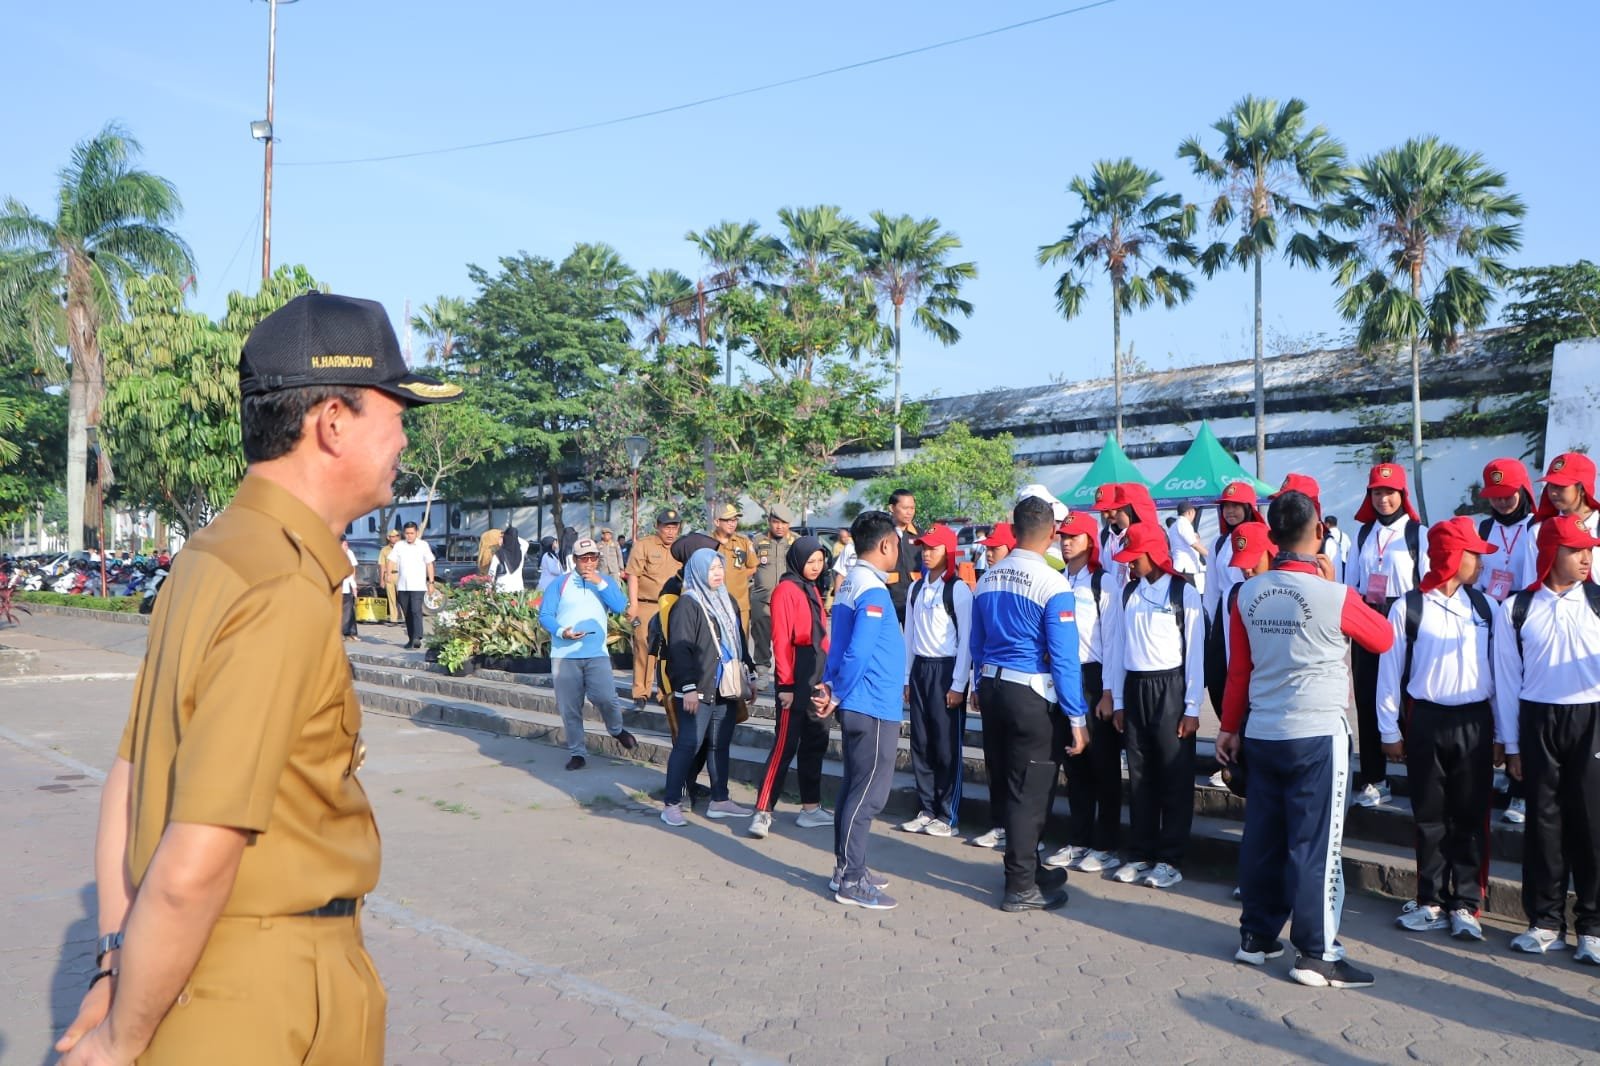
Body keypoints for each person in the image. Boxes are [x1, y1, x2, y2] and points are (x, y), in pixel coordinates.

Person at [55, 291, 463, 1066]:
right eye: (397, 412)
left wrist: (114, 963)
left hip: (185, 974)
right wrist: (116, 1040)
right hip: (269, 997)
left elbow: (130, 778)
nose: (405, 436)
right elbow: (198, 856)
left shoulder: (211, 556)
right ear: (332, 422)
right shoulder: (281, 585)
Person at [1219, 489, 1393, 989]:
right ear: (1319, 532)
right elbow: (1382, 637)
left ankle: (1256, 937)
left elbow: (1239, 670)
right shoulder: (1334, 595)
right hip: (1316, 734)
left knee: (1264, 838)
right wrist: (1334, 585)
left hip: (1263, 730)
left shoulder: (1247, 594)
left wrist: (1228, 727)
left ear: (1271, 536)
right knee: (1315, 847)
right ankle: (1317, 953)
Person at [1376, 518, 1498, 942]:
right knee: (1429, 815)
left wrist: (1504, 736)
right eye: (1473, 555)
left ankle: (1465, 902)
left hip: (1475, 721)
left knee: (1470, 814)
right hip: (1426, 719)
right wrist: (1388, 730)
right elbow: (1389, 674)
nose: (1481, 563)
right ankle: (1429, 899)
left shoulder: (1486, 608)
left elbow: (1501, 675)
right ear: (1450, 557)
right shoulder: (1409, 607)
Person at [969, 496, 1089, 911]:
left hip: (993, 688)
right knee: (1030, 792)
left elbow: (977, 643)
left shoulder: (988, 578)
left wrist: (977, 684)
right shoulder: (1053, 584)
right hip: (1030, 695)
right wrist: (1077, 717)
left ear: (1014, 530)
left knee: (1009, 783)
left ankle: (1028, 867)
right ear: (1052, 533)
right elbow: (1064, 658)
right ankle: (1020, 885)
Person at [1492, 514, 1600, 963]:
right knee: (1543, 822)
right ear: (1551, 553)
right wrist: (1511, 743)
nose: (1586, 558)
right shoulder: (1517, 608)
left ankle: (1593, 927)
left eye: (1589, 550)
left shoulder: (1597, 601)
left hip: (1592, 718)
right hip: (1537, 719)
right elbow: (1506, 679)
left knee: (1592, 824)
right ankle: (1545, 921)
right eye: (1576, 550)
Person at [1103, 523, 1204, 889]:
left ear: (1154, 555)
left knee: (1174, 776)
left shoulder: (1183, 592)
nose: (1130, 564)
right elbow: (1118, 647)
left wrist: (1192, 708)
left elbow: (1195, 653)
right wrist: (1117, 698)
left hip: (1171, 688)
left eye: (1135, 558)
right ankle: (1141, 852)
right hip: (1135, 686)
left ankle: (1169, 859)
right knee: (1140, 775)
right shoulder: (1129, 592)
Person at [816, 510, 905, 909]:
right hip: (871, 705)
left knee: (855, 789)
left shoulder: (852, 582)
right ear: (885, 544)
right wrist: (836, 692)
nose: (899, 550)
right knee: (869, 795)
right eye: (897, 544)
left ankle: (848, 868)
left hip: (861, 701)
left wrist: (832, 685)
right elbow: (857, 651)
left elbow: (838, 646)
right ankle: (851, 879)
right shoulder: (871, 589)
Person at [1345, 463, 1429, 808]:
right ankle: (1375, 778)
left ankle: (1420, 775)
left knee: (1408, 696)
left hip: (1406, 617)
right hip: (1368, 617)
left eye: (1389, 492)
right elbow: (1351, 583)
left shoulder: (1418, 533)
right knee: (1368, 696)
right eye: (1377, 492)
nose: (1383, 499)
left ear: (1402, 494)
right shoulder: (1363, 534)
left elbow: (1427, 583)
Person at [1043, 511, 1121, 875]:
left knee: (1102, 764)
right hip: (1063, 676)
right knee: (1074, 764)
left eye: (1074, 536)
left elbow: (1114, 641)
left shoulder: (1103, 583)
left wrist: (1109, 691)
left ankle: (1105, 845)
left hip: (1094, 678)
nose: (1066, 542)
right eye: (1063, 536)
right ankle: (1078, 839)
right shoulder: (1057, 580)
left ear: (1091, 541)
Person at [661, 548, 755, 826]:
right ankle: (671, 803)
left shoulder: (727, 600)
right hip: (698, 687)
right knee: (688, 744)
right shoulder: (687, 604)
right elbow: (680, 650)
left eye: (719, 568)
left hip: (725, 686)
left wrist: (750, 675)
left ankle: (720, 800)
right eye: (711, 569)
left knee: (719, 745)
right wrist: (688, 687)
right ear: (698, 572)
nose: (717, 573)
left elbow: (739, 640)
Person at [749, 536, 835, 839]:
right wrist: (784, 685)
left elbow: (822, 636)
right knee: (785, 746)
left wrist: (828, 677)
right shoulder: (786, 589)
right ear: (798, 560)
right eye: (810, 561)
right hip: (795, 675)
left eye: (820, 561)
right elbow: (782, 639)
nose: (816, 566)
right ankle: (762, 811)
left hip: (816, 673)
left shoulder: (811, 588)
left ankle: (810, 808)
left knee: (815, 743)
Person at [898, 523, 974, 838]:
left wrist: (958, 684)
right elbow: (909, 635)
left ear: (948, 551)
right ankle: (926, 808)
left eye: (933, 548)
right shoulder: (916, 588)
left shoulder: (957, 589)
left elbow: (967, 640)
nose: (926, 554)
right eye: (924, 548)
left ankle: (947, 814)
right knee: (921, 742)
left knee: (946, 746)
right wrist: (906, 677)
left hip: (946, 670)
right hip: (920, 669)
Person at [538, 537, 638, 771]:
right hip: (565, 655)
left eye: (593, 558)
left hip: (596, 653)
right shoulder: (560, 583)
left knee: (606, 697)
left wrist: (599, 582)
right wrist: (562, 631)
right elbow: (545, 615)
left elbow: (620, 607)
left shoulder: (604, 582)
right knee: (570, 707)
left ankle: (616, 729)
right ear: (575, 560)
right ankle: (577, 753)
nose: (589, 563)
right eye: (584, 559)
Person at [1476, 457, 1538, 825]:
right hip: (1489, 617)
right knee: (1493, 696)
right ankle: (1499, 771)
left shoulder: (1536, 527)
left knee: (1520, 698)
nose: (1501, 502)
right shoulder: (1483, 527)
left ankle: (1522, 790)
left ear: (1523, 490)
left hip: (1523, 617)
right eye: (1495, 495)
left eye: (1508, 494)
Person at [649, 532, 720, 804]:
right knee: (685, 736)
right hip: (678, 671)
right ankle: (677, 793)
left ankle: (689, 782)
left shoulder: (709, 586)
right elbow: (675, 638)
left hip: (704, 670)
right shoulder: (673, 589)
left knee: (702, 738)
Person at [967, 520, 1018, 851]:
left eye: (995, 548)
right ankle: (999, 824)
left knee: (1017, 760)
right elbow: (977, 640)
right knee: (995, 757)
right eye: (987, 548)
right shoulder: (985, 582)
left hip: (1022, 685)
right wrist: (976, 682)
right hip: (990, 682)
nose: (989, 553)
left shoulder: (1029, 581)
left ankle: (1021, 830)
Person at [1202, 482, 1265, 720]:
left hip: (1254, 610)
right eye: (1226, 506)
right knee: (1219, 674)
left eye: (1236, 506)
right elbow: (1211, 588)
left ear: (1249, 508)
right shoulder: (1218, 543)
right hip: (1224, 614)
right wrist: (1209, 625)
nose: (1230, 511)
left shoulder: (1262, 536)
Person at [624, 509, 683, 710]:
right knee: (643, 646)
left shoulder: (681, 548)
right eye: (667, 527)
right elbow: (633, 575)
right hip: (647, 604)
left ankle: (665, 692)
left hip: (672, 605)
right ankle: (640, 693)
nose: (671, 532)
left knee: (671, 649)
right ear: (658, 527)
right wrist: (633, 604)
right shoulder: (644, 545)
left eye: (674, 527)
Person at [750, 503, 799, 673]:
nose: (780, 527)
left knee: (788, 639)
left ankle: (786, 674)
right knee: (761, 638)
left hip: (788, 602)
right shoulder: (757, 541)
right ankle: (762, 673)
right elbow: (748, 567)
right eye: (776, 522)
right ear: (769, 521)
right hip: (763, 599)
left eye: (784, 523)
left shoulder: (796, 541)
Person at [386, 521, 436, 649]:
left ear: (417, 533)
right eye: (407, 533)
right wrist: (388, 573)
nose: (409, 536)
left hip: (418, 585)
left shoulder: (423, 545)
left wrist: (431, 582)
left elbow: (429, 564)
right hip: (403, 586)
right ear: (404, 533)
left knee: (415, 610)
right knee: (407, 613)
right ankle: (411, 638)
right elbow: (391, 560)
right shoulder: (399, 545)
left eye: (412, 533)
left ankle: (417, 637)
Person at [712, 502, 759, 634]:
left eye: (734, 520)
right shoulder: (707, 542)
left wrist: (738, 576)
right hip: (715, 604)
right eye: (728, 520)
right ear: (717, 522)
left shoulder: (743, 542)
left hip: (740, 605)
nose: (732, 524)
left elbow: (753, 567)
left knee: (742, 641)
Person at [885, 488, 920, 623]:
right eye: (905, 508)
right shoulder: (883, 533)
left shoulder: (921, 535)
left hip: (915, 597)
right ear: (891, 508)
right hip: (889, 597)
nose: (909, 512)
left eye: (912, 508)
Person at [1168, 502, 1208, 594]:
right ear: (1190, 512)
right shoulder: (1183, 524)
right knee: (1190, 595)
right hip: (1185, 567)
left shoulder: (1175, 525)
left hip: (1182, 567)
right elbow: (1194, 544)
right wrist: (1211, 555)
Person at [487, 523, 528, 593]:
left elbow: (492, 572)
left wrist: (488, 587)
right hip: (518, 589)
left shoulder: (499, 553)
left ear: (505, 538)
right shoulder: (521, 552)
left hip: (502, 589)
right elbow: (525, 543)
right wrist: (514, 534)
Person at [377, 528, 401, 624]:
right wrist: (382, 580)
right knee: (391, 598)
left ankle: (405, 617)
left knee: (403, 598)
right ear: (388, 537)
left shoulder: (402, 548)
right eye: (393, 536)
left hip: (400, 575)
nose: (395, 538)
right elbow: (382, 565)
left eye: (397, 536)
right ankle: (393, 619)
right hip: (389, 575)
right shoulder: (384, 550)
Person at [1321, 516, 1352, 583]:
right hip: (1343, 569)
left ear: (1327, 524)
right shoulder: (1345, 536)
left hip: (1328, 567)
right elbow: (1350, 552)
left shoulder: (1325, 536)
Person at [340, 537, 360, 640]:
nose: (347, 547)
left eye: (347, 544)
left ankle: (350, 632)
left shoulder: (349, 553)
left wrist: (354, 586)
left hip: (346, 586)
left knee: (349, 611)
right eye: (345, 545)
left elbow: (352, 571)